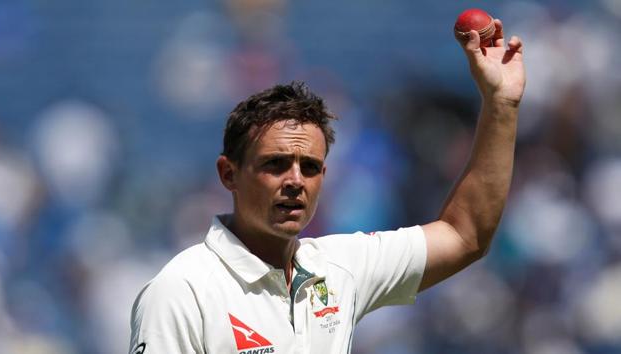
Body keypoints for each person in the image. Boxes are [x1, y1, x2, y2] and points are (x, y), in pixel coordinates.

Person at [129, 19, 525, 354]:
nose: (295, 181)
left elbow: (465, 234)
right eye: (275, 164)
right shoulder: (182, 290)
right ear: (228, 174)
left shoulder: (337, 268)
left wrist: (501, 106)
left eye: (311, 167)